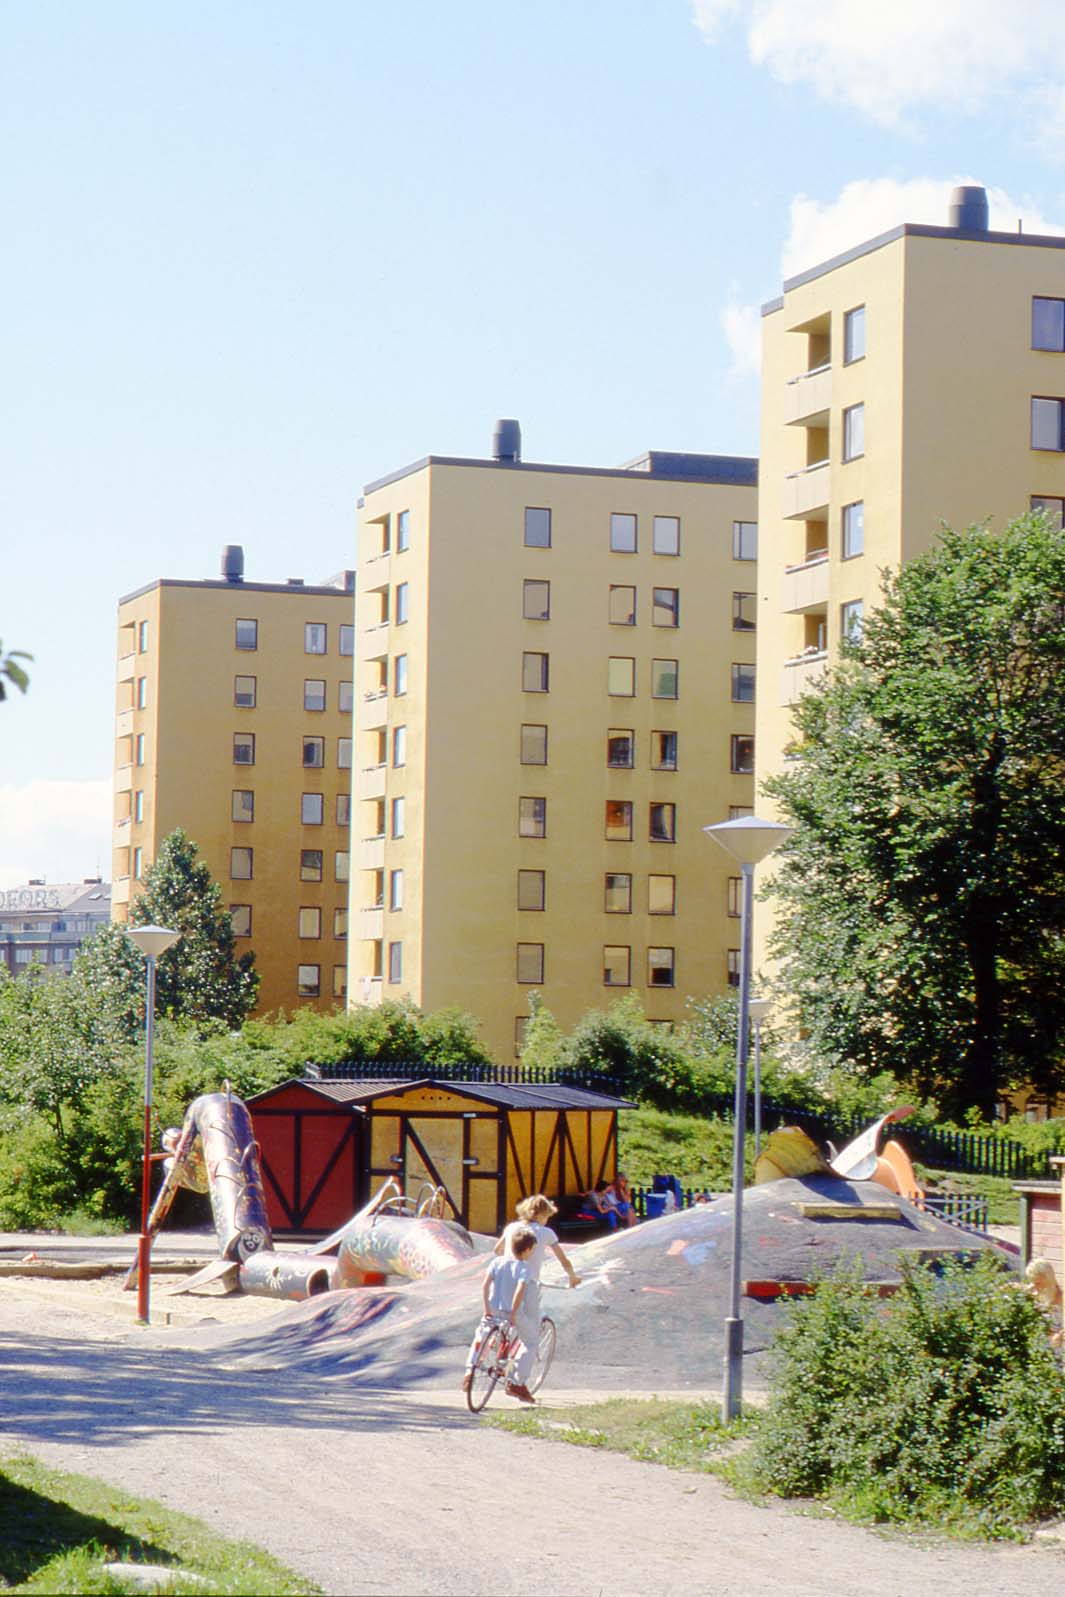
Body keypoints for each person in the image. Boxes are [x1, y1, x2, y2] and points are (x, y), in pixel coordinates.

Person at [462, 1224, 539, 1403]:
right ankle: (516, 1383)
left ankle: (469, 1372)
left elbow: (485, 1284)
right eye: (532, 1250)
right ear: (527, 1250)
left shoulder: (497, 1262)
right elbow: (520, 1291)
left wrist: (486, 1307)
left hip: (492, 1310)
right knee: (531, 1341)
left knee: (480, 1338)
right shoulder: (524, 1268)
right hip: (511, 1313)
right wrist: (513, 1313)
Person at [496, 1194, 581, 1288]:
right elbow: (563, 1260)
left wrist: (512, 1257)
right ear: (540, 1215)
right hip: (529, 1283)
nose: (547, 1221)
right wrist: (572, 1277)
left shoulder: (511, 1227)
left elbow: (497, 1249)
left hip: (506, 1280)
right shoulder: (546, 1232)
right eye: (547, 1217)